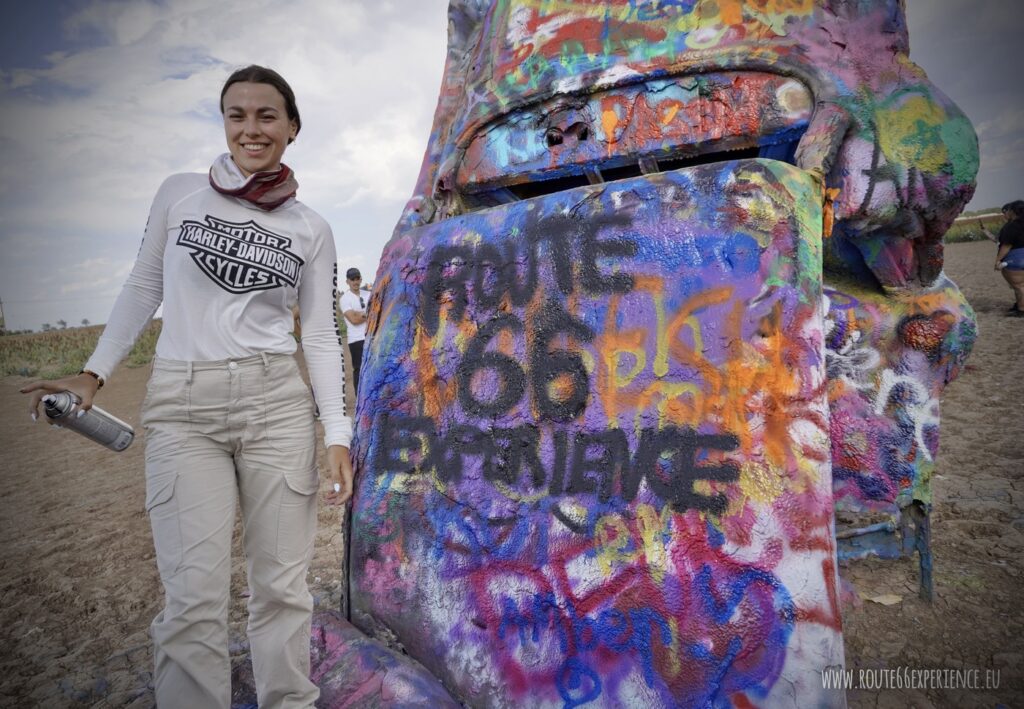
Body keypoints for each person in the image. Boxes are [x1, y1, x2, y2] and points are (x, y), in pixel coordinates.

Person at [21, 65, 353, 709]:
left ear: (291, 128)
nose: (250, 128)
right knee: (193, 597)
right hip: (184, 407)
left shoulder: (311, 228)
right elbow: (144, 287)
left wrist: (335, 432)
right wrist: (93, 375)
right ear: (224, 122)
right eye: (236, 114)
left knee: (283, 588)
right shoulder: (178, 193)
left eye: (265, 116)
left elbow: (318, 334)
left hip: (277, 405)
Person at [990, 200, 1024, 317]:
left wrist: (998, 260)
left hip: (1016, 259)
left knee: (1019, 286)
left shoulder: (1012, 226)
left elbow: (1006, 245)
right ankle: (1019, 304)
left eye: (1008, 210)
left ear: (1013, 212)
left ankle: (1021, 309)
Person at [339, 267, 367, 394]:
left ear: (361, 279)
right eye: (352, 279)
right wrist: (370, 313)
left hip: (372, 337)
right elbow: (353, 320)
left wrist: (361, 314)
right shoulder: (344, 299)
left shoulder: (368, 294)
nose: (355, 281)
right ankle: (359, 400)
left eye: (357, 278)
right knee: (360, 369)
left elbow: (379, 312)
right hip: (356, 340)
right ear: (347, 281)